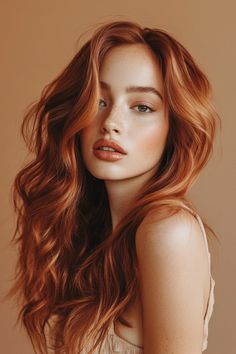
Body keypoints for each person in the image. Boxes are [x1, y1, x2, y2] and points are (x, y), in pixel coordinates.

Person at [7, 20, 220, 354]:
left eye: (142, 107)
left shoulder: (167, 231)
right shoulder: (98, 232)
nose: (110, 124)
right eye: (99, 100)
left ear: (174, 128)